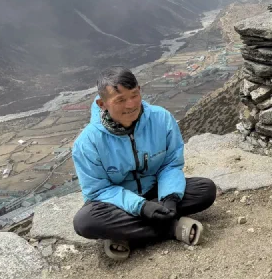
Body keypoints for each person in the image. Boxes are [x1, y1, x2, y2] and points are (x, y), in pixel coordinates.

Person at [72, 67, 216, 260]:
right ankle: (172, 228)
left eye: (134, 95)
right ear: (102, 104)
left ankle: (125, 234)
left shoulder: (161, 118)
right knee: (85, 222)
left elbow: (171, 164)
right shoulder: (87, 143)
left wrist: (170, 197)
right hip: (117, 202)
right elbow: (98, 191)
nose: (131, 104)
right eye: (120, 100)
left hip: (156, 189)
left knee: (205, 189)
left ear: (140, 90)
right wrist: (141, 207)